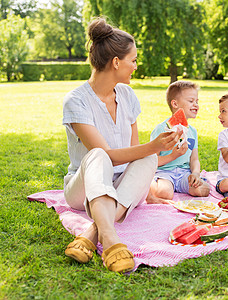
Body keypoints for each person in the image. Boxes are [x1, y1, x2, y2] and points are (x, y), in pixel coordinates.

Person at [62, 17, 182, 273]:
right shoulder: (76, 101)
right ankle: (112, 240)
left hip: (121, 185)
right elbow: (109, 157)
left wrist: (146, 190)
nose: (136, 66)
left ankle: (92, 232)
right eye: (134, 60)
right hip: (83, 188)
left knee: (147, 158)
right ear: (116, 62)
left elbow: (135, 153)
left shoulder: (127, 95)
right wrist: (154, 146)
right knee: (98, 156)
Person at [146, 81, 210, 203]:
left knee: (203, 190)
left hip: (184, 173)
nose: (196, 105)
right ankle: (149, 183)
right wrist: (173, 156)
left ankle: (183, 185)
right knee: (164, 193)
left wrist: (196, 173)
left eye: (197, 101)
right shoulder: (161, 129)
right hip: (165, 173)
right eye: (191, 101)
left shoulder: (192, 132)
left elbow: (194, 159)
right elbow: (153, 161)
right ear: (175, 103)